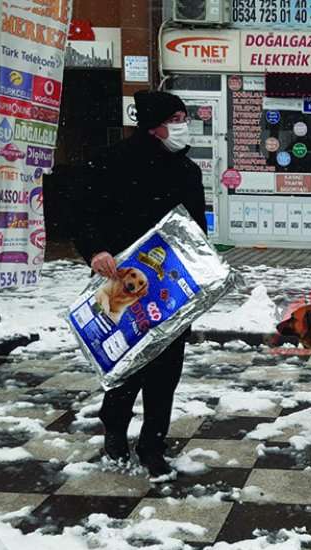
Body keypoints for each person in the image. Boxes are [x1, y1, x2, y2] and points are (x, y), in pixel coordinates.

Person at [72, 90, 207, 478]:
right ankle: (115, 431)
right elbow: (82, 213)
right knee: (125, 364)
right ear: (155, 123)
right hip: (121, 284)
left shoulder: (186, 171)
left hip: (170, 290)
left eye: (184, 117)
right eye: (177, 117)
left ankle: (153, 443)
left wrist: (201, 273)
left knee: (166, 370)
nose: (184, 125)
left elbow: (195, 230)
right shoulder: (108, 163)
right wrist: (96, 250)